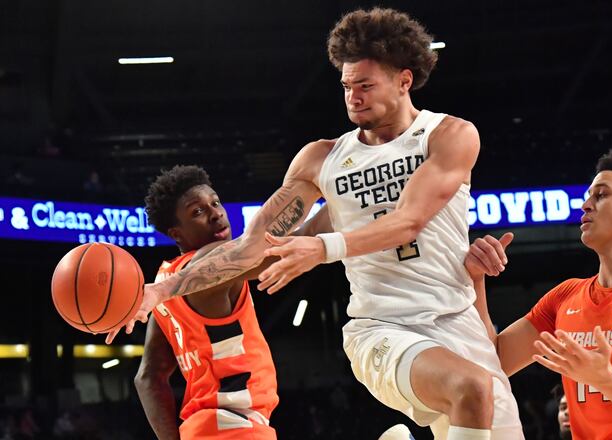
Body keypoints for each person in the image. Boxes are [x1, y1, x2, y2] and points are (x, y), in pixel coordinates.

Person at [116, 8, 523, 440]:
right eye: (347, 86)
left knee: (484, 403)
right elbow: (251, 246)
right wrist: (159, 290)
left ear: (405, 80)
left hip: (457, 322)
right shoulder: (322, 159)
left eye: (365, 85)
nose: (353, 97)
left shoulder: (450, 135)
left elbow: (408, 221)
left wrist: (322, 247)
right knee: (471, 387)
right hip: (383, 329)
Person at [466, 149, 612, 439]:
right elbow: (494, 360)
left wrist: (604, 379)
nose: (585, 205)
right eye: (588, 196)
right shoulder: (565, 296)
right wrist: (476, 279)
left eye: (601, 195)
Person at [129, 165, 330, 439]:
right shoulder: (211, 262)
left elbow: (148, 378)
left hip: (205, 429)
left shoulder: (165, 280)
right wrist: (347, 194)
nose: (215, 214)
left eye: (215, 202)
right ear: (177, 233)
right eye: (197, 212)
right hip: (233, 425)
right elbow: (303, 239)